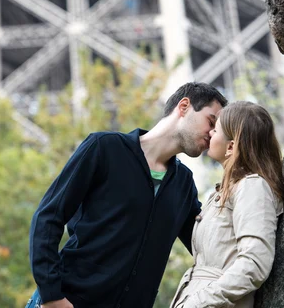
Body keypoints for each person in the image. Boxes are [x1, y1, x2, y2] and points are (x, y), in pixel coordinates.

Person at [26, 82, 227, 308]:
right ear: (183, 107)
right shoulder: (104, 148)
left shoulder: (184, 185)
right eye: (211, 122)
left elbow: (208, 249)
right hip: (68, 301)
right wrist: (52, 297)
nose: (213, 134)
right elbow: (47, 217)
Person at [170, 101, 284, 308]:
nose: (210, 133)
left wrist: (198, 302)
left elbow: (254, 263)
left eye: (216, 129)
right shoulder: (227, 190)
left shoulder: (252, 187)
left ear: (231, 146)